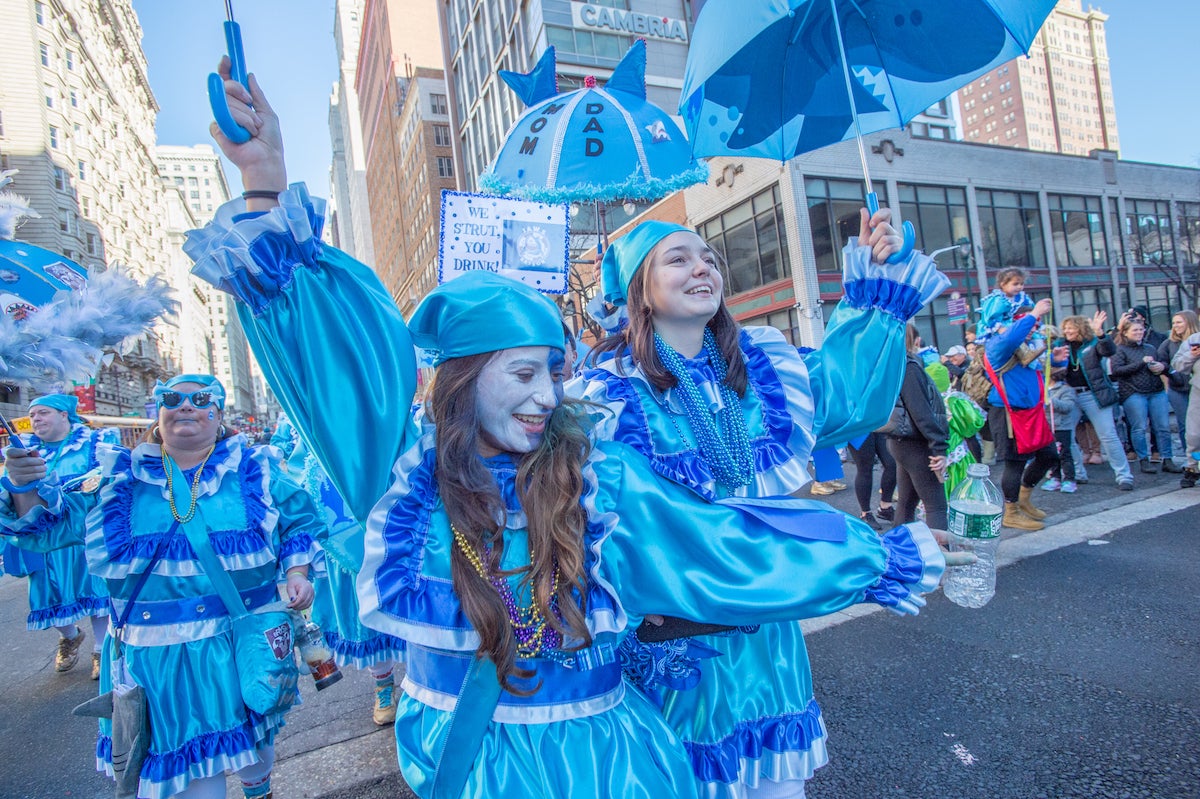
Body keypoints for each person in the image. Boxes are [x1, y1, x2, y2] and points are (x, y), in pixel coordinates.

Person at [187, 64, 947, 798]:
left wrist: (864, 552)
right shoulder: (442, 470)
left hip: (676, 702)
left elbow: (722, 538)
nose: (549, 396)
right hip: (610, 697)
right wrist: (264, 184)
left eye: (554, 373)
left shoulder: (610, 460)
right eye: (523, 374)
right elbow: (340, 374)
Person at [573, 209, 949, 797]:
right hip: (676, 636)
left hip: (766, 632)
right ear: (638, 289)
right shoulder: (607, 394)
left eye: (709, 258)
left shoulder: (762, 368)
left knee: (775, 787)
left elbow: (852, 398)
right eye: (678, 258)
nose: (702, 267)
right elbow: (598, 523)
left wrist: (879, 283)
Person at [1, 374, 319, 799]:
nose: (185, 405)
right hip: (156, 660)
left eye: (200, 398)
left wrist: (297, 571)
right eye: (172, 398)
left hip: (240, 643)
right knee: (191, 779)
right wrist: (23, 486)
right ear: (159, 411)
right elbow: (49, 526)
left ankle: (259, 792)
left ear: (218, 414)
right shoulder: (118, 480)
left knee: (254, 748)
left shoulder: (254, 470)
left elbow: (299, 518)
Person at [0, 394, 115, 679]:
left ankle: (101, 649)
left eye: (43, 413)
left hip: (83, 535)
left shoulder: (93, 444)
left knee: (95, 592)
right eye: (33, 414)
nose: (36, 419)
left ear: (64, 415)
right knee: (45, 596)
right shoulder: (23, 451)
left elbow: (108, 480)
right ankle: (70, 636)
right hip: (42, 542)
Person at [984, 298, 1063, 530]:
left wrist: (1057, 358)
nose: (1033, 330)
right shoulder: (997, 344)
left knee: (1049, 456)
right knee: (1014, 463)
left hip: (1031, 412)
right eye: (1029, 325)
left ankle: (1024, 498)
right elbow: (1010, 337)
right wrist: (1035, 313)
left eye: (1035, 326)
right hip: (1008, 414)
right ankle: (1010, 511)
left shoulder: (1027, 348)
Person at [1055, 312, 1135, 490]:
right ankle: (1077, 472)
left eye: (1071, 327)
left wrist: (1100, 334)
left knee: (1108, 435)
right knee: (1067, 435)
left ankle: (1124, 476)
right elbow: (1052, 367)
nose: (1067, 331)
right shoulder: (1060, 345)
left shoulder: (1092, 344)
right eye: (1065, 328)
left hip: (1092, 393)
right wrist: (1054, 358)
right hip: (1070, 394)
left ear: (1080, 328)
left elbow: (1108, 351)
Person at [885, 324, 950, 530]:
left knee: (906, 502)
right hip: (916, 443)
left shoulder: (891, 366)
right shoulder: (908, 367)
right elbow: (922, 413)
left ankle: (900, 554)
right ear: (915, 341)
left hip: (901, 440)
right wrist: (939, 447)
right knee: (936, 507)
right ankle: (940, 559)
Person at [1110, 314, 1180, 474]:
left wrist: (1159, 366)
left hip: (1156, 391)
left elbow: (1164, 363)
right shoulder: (1120, 349)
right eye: (1135, 330)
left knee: (1163, 427)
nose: (1139, 332)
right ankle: (1143, 459)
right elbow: (1117, 371)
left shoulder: (1150, 348)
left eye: (1141, 329)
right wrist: (1141, 363)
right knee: (1139, 428)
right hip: (1133, 392)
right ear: (1126, 332)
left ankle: (1167, 459)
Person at [1159, 311, 1199, 458]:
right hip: (1178, 389)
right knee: (1186, 427)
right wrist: (1165, 372)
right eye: (1174, 323)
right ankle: (1191, 460)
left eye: (1179, 322)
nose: (1175, 326)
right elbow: (1165, 362)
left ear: (1190, 322)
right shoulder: (1169, 343)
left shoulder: (1196, 339)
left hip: (1195, 388)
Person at [1042, 368, 1081, 493]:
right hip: (1047, 427)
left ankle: (1069, 479)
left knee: (1064, 454)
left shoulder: (1066, 390)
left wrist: (1051, 401)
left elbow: (1068, 407)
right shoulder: (1042, 388)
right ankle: (1055, 477)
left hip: (1061, 428)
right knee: (1051, 454)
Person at [847, 432, 897, 530]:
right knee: (865, 468)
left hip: (879, 423)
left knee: (892, 464)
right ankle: (865, 513)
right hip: (859, 426)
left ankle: (885, 507)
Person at [1171, 332, 1200, 487]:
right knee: (1194, 434)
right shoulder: (1195, 339)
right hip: (1198, 391)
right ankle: (1193, 467)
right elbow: (1177, 364)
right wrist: (1192, 355)